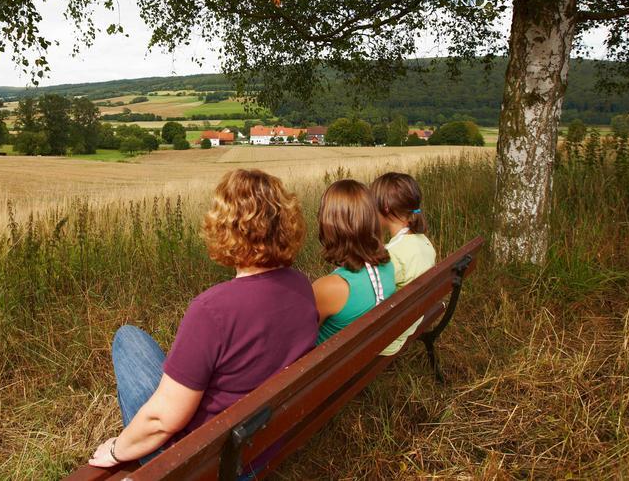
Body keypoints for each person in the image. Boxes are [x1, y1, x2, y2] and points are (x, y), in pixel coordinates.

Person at [89, 169, 317, 470]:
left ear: (224, 227)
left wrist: (117, 449)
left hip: (204, 464)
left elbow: (162, 420)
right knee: (142, 345)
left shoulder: (212, 310)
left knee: (127, 339)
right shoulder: (301, 285)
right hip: (263, 442)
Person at [311, 179, 397, 344]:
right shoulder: (387, 266)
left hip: (331, 367)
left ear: (329, 225)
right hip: (362, 357)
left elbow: (299, 338)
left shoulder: (329, 288)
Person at [370, 171, 438, 356]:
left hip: (391, 339)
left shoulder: (393, 254)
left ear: (384, 208)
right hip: (412, 320)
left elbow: (372, 299)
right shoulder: (423, 241)